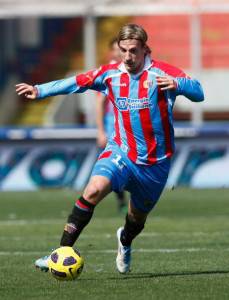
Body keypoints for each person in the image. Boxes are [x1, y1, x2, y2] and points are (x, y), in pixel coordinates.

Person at [16, 23, 204, 274]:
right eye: (123, 50)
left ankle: (125, 241)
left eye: (133, 51)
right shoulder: (110, 75)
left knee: (136, 219)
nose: (127, 56)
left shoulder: (163, 73)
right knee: (92, 191)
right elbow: (76, 82)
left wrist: (178, 84)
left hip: (155, 164)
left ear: (145, 49)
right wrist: (39, 90)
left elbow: (199, 92)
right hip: (121, 152)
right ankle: (59, 253)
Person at [96, 38, 127, 213]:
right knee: (115, 165)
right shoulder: (108, 73)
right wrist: (101, 131)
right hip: (112, 125)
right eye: (117, 49)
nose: (120, 53)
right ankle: (122, 200)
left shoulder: (131, 69)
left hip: (129, 123)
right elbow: (100, 102)